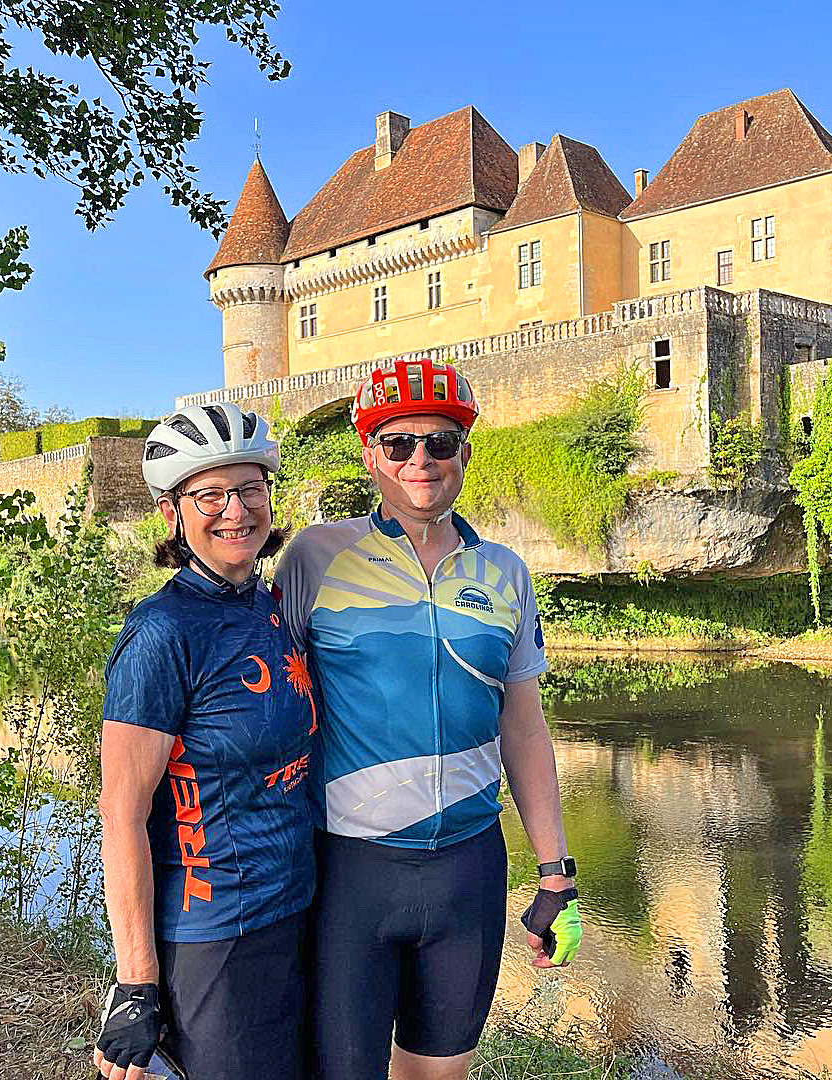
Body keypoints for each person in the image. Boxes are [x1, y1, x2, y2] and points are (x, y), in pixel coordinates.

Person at [275, 357, 583, 1080]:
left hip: (469, 870)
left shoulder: (503, 570)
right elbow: (266, 706)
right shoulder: (317, 557)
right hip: (350, 869)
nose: (421, 459)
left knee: (440, 1075)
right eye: (398, 443)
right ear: (368, 455)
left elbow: (526, 730)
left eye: (440, 443)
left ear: (464, 456)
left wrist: (556, 873)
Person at [94, 403, 316, 1080]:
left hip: (298, 909)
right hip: (215, 933)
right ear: (173, 516)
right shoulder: (162, 634)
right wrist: (137, 983)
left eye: (250, 489)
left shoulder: (271, 606)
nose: (235, 510)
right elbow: (121, 814)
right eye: (210, 494)